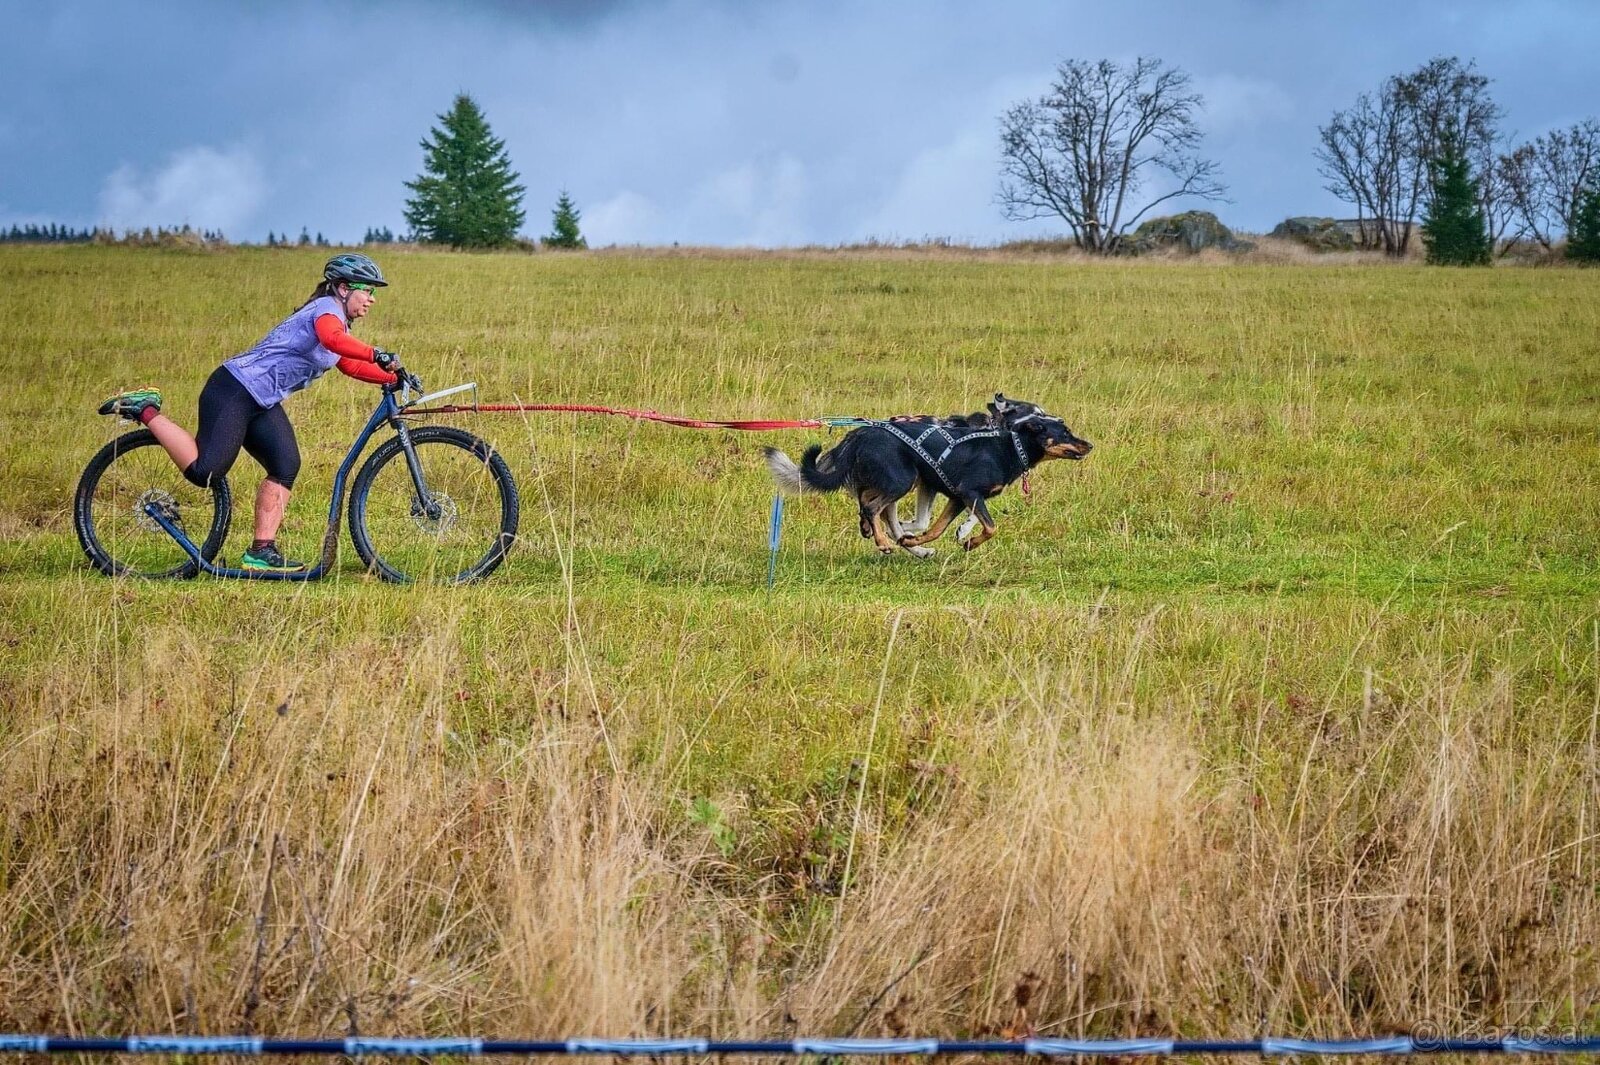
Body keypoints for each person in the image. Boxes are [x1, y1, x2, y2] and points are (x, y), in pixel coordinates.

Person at [98, 253, 403, 571]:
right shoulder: (326, 310)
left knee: (285, 464)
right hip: (234, 390)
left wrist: (393, 377)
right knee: (205, 471)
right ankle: (146, 410)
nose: (371, 299)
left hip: (261, 402)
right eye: (367, 290)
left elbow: (349, 363)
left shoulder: (339, 321)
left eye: (374, 292)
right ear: (343, 288)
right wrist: (376, 353)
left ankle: (261, 551)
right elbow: (333, 340)